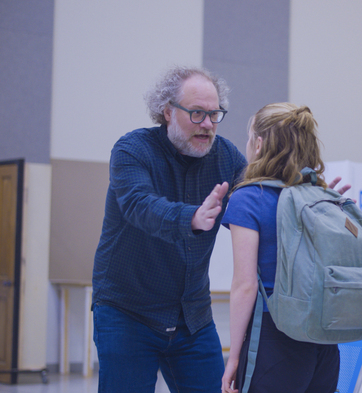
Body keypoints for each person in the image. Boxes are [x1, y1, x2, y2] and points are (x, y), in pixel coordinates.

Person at [91, 66, 247, 392]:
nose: (207, 124)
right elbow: (139, 205)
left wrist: (304, 196)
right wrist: (191, 217)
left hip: (192, 317)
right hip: (128, 312)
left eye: (214, 114)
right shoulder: (132, 151)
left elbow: (259, 197)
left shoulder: (227, 157)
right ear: (167, 112)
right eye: (196, 113)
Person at [220, 103, 340, 393]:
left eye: (249, 138)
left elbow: (245, 286)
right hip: (324, 340)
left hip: (275, 337)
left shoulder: (249, 197)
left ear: (259, 144)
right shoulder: (323, 198)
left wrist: (233, 356)